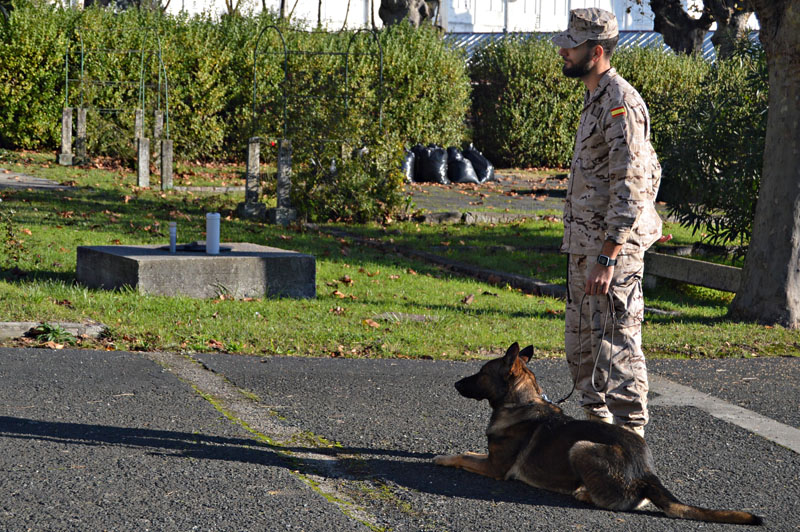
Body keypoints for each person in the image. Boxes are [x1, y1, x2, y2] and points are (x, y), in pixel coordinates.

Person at [552, 8, 662, 438]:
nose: (562, 51)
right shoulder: (594, 98)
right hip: (586, 249)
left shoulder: (620, 102)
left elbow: (633, 182)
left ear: (595, 51)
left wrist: (611, 252)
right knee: (583, 351)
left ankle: (631, 446)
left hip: (607, 255)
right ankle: (597, 439)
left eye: (571, 45)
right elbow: (644, 172)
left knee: (616, 348)